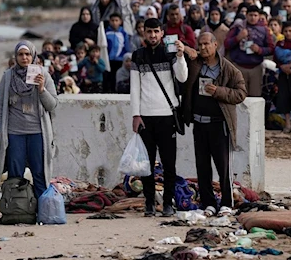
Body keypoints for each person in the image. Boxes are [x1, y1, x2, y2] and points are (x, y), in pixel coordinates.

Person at [181, 32, 247, 218]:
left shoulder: (229, 69)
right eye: (199, 45)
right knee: (202, 167)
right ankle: (208, 203)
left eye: (206, 44)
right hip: (199, 124)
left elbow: (241, 93)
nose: (202, 48)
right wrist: (187, 49)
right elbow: (179, 56)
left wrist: (219, 91)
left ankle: (226, 202)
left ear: (215, 44)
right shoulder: (195, 64)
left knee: (223, 167)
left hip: (220, 125)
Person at [130, 18, 188, 217]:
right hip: (146, 117)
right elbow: (134, 88)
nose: (153, 35)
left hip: (167, 116)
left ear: (162, 33)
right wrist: (135, 115)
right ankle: (149, 202)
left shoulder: (170, 52)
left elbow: (182, 78)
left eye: (156, 31)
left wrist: (180, 57)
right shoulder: (138, 55)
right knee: (147, 164)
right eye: (149, 32)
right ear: (143, 33)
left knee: (169, 163)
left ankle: (168, 203)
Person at [0, 41, 59, 199]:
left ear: (33, 55)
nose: (24, 58)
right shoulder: (8, 76)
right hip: (15, 132)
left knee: (39, 172)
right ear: (15, 57)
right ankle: (17, 210)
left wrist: (42, 89)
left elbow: (52, 106)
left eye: (27, 54)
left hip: (37, 132)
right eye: (20, 54)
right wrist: (0, 131)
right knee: (15, 173)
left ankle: (42, 210)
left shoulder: (43, 74)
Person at [224, 5, 275, 97]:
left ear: (259, 16)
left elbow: (271, 48)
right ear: (246, 15)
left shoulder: (265, 30)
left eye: (255, 15)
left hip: (256, 68)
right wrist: (238, 37)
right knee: (238, 96)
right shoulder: (238, 27)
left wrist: (259, 50)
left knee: (255, 97)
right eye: (250, 15)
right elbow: (227, 44)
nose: (253, 18)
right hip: (239, 67)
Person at [105, 13, 131, 93]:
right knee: (110, 76)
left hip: (120, 59)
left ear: (120, 21)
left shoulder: (123, 33)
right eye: (112, 20)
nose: (114, 22)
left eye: (116, 20)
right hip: (109, 59)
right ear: (109, 21)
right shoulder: (106, 32)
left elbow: (126, 46)